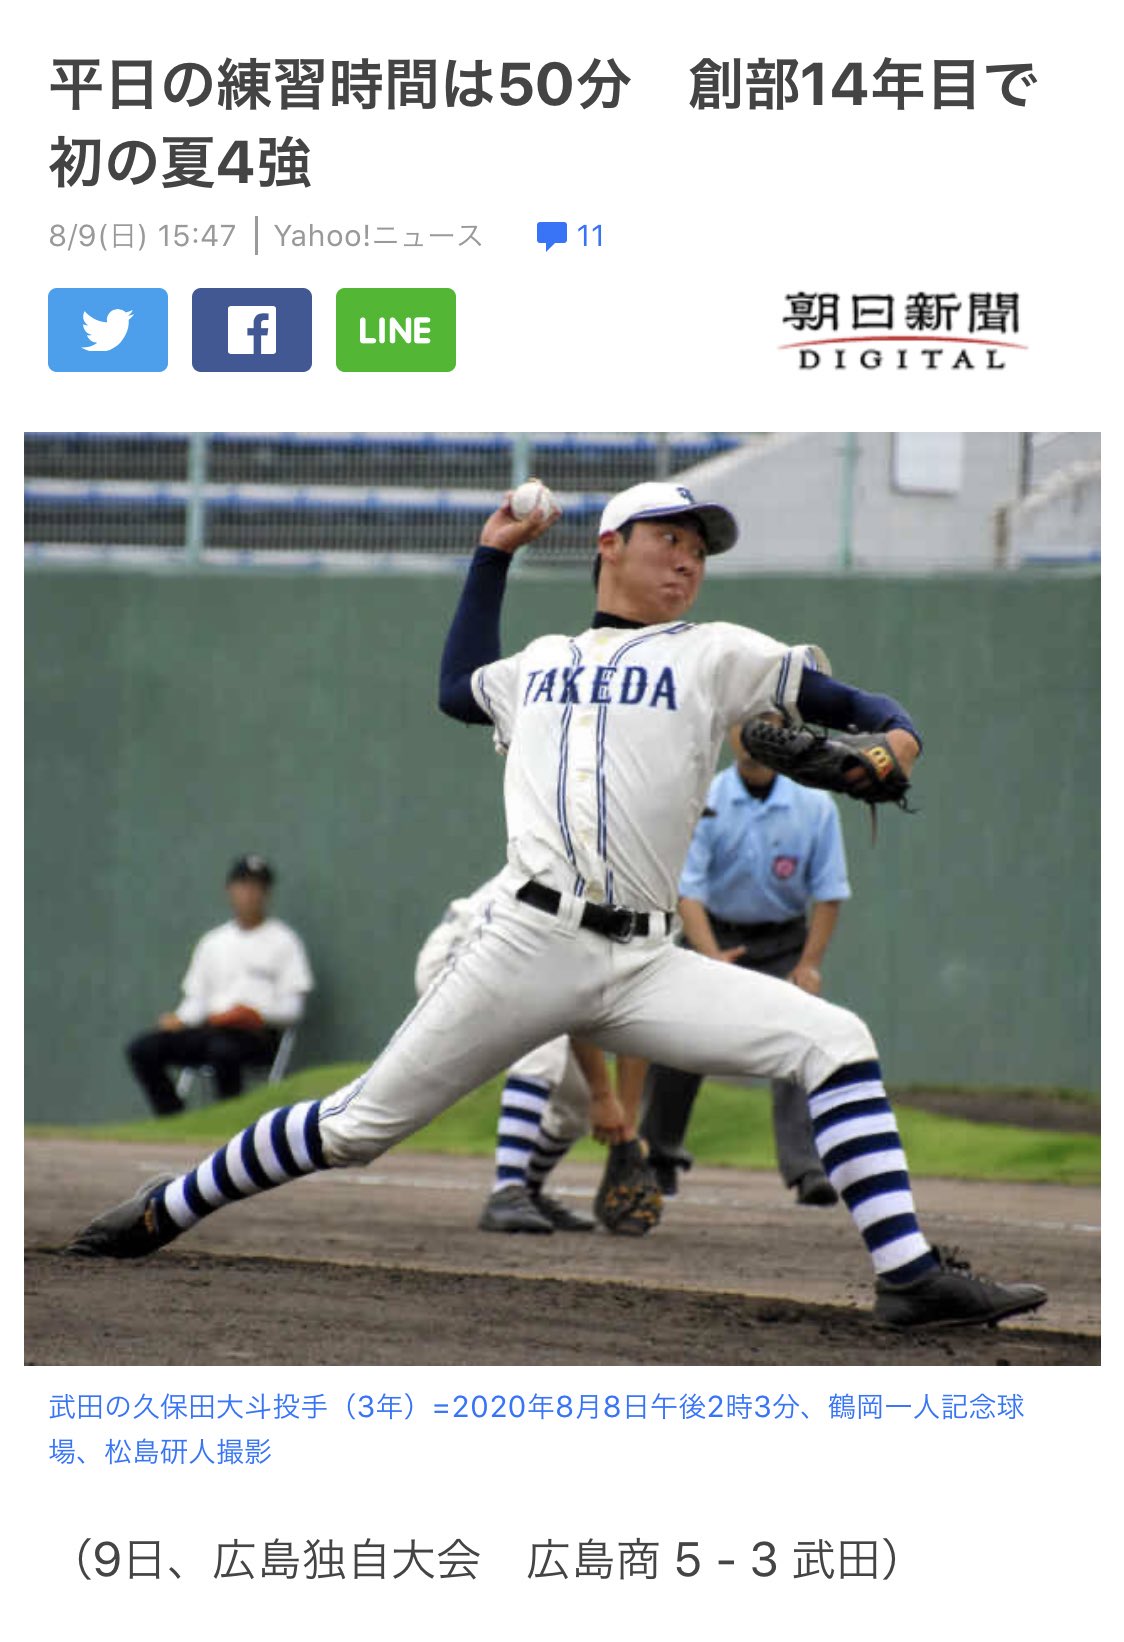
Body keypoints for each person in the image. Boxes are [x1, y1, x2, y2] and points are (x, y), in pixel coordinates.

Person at [71, 481, 1046, 1332]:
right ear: (608, 547)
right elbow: (456, 687)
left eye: (699, 547)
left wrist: (897, 747)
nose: (687, 559)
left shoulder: (714, 655)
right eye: (669, 536)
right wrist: (489, 556)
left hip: (645, 961)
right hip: (524, 940)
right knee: (354, 1129)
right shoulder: (534, 663)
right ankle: (169, 1203)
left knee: (833, 1042)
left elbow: (867, 708)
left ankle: (907, 1274)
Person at [641, 719, 852, 1206]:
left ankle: (807, 1170)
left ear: (786, 734)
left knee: (801, 1037)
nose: (753, 736)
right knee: (677, 1038)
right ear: (728, 733)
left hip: (783, 943)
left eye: (767, 725)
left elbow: (829, 893)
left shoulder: (815, 804)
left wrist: (810, 965)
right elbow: (687, 890)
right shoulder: (706, 799)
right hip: (714, 936)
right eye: (743, 724)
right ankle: (660, 1158)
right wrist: (711, 956)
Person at [414, 875, 654, 1234]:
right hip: (464, 949)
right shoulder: (596, 867)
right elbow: (567, 992)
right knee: (543, 1032)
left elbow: (637, 1017)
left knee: (577, 1106)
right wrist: (606, 1095)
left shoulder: (652, 898)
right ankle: (506, 1191)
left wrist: (626, 1131)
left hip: (530, 969)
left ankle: (527, 1190)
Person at [124, 855, 313, 1116]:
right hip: (210, 1029)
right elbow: (196, 1001)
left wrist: (254, 1015)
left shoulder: (285, 941)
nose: (249, 894)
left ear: (267, 893)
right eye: (243, 885)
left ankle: (228, 1120)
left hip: (255, 1035)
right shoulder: (213, 942)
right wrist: (179, 1019)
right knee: (142, 1048)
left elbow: (293, 1008)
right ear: (230, 890)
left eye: (257, 887)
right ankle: (173, 1117)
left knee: (223, 1051)